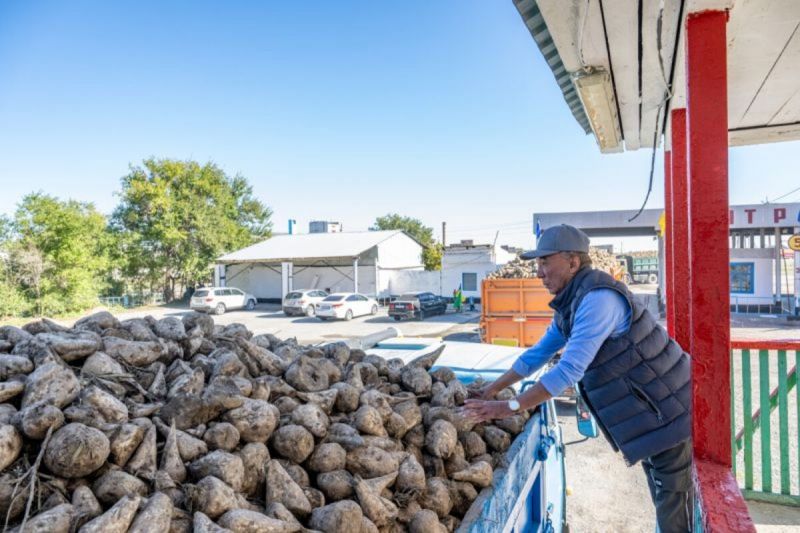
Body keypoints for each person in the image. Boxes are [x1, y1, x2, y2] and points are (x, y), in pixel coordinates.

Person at [461, 224, 692, 533]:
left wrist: (509, 407)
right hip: (652, 418)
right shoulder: (571, 303)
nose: (539, 272)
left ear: (572, 263)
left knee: (674, 503)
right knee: (662, 489)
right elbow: (537, 355)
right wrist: (491, 390)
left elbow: (569, 371)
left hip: (669, 414)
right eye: (537, 264)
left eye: (545, 262)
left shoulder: (598, 300)